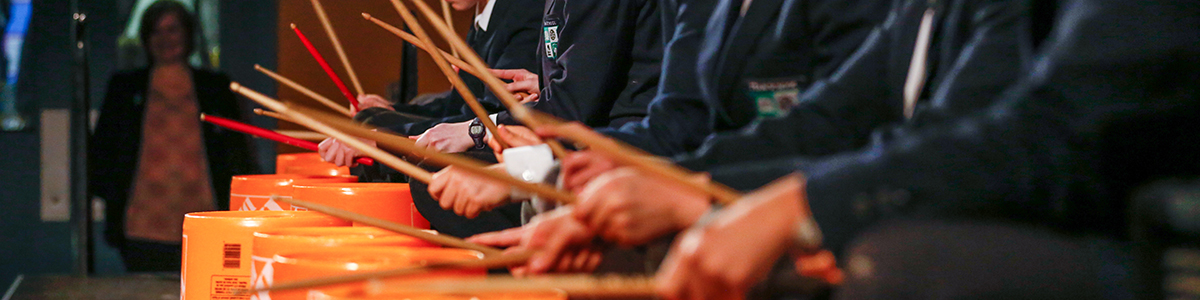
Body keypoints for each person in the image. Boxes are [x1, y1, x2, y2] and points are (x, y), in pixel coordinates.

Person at [89, 0, 257, 272]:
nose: (164, 39)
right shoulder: (124, 87)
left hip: (206, 219)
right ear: (145, 38)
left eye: (173, 30)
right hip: (141, 226)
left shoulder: (215, 88)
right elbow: (103, 153)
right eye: (156, 31)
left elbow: (238, 152)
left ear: (188, 34)